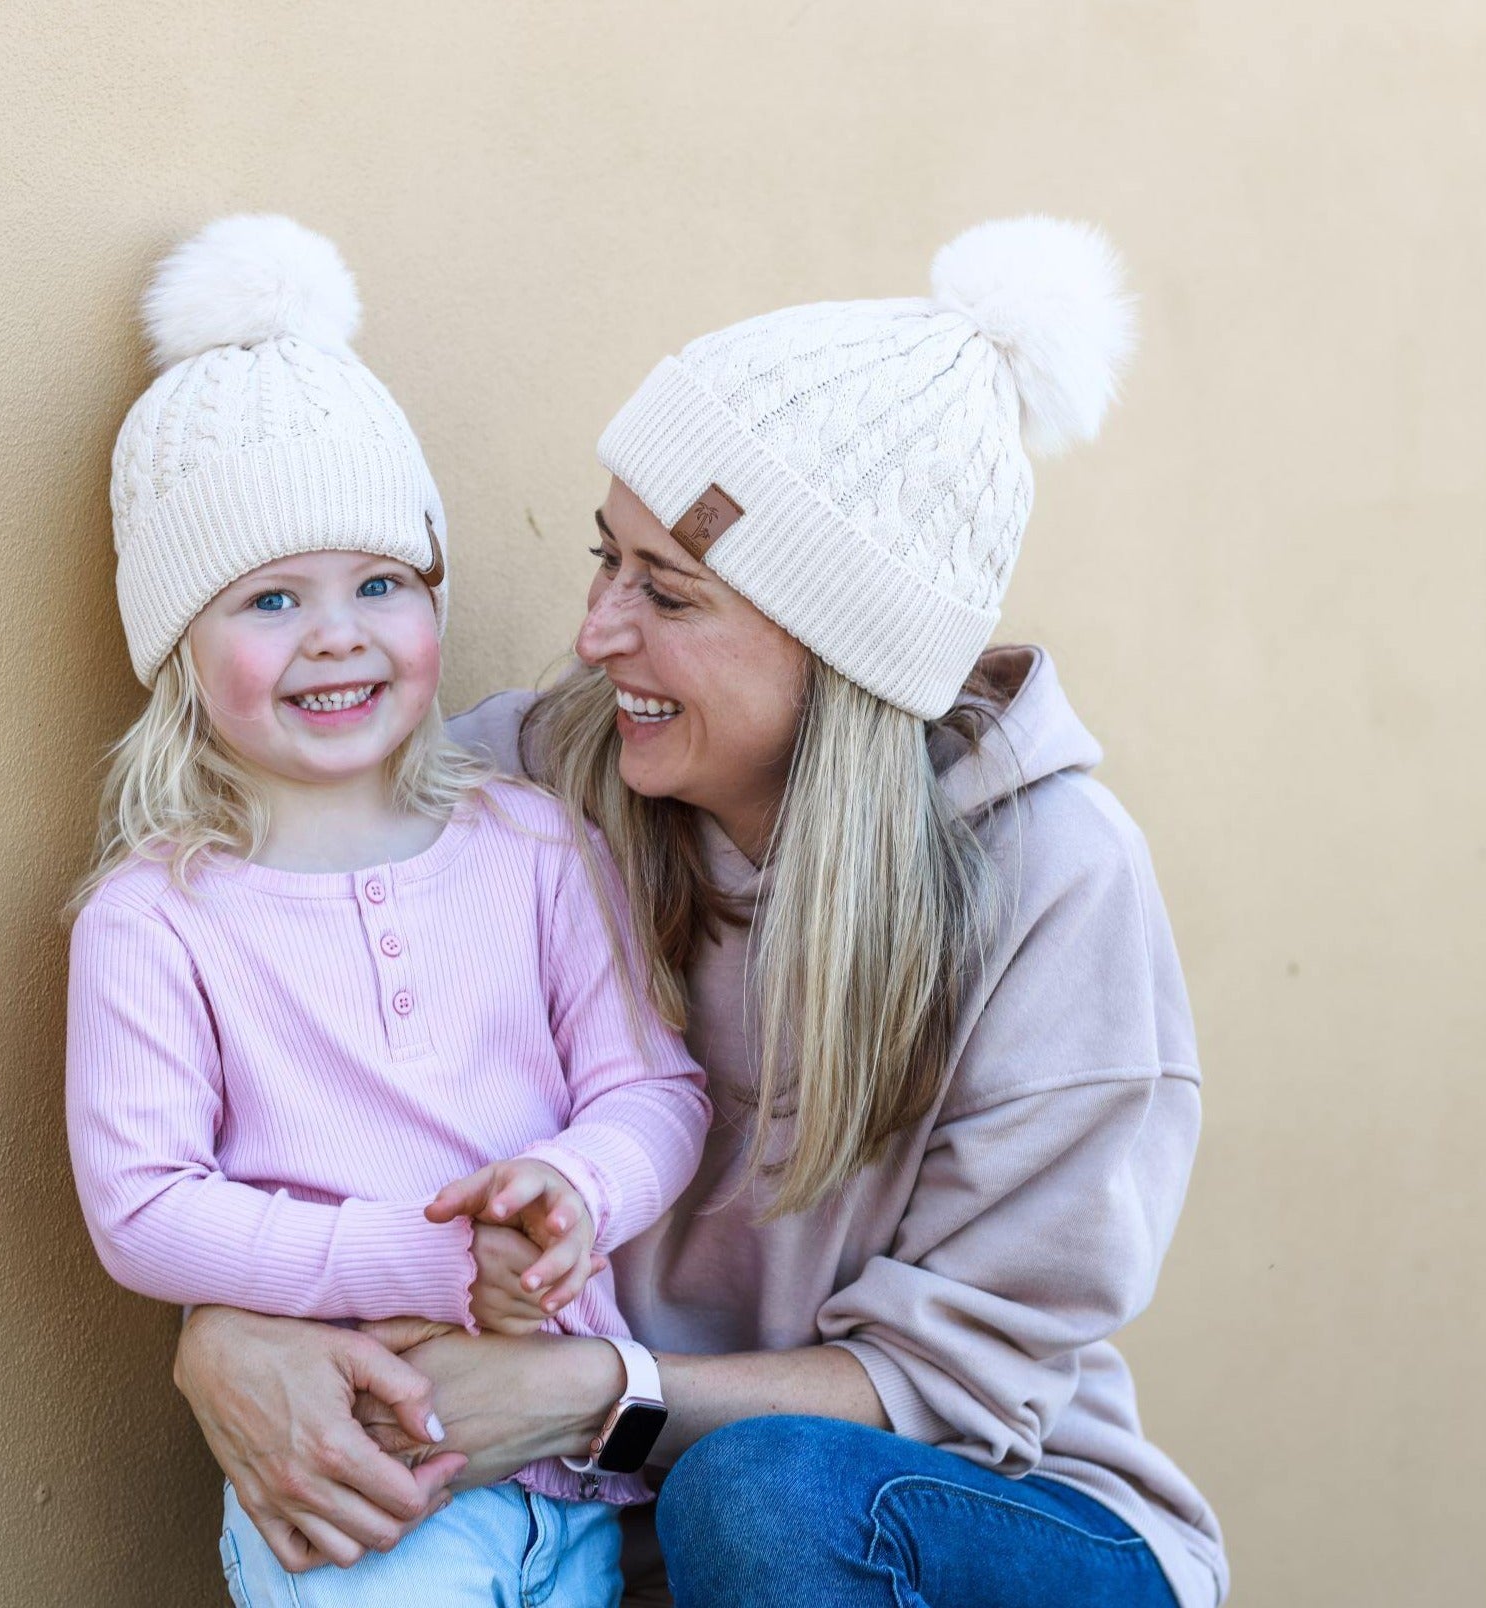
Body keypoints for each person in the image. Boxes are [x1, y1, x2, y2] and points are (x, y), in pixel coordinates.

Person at [172, 215, 1230, 1608]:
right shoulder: (523, 790)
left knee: (767, 1494)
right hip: (619, 1537)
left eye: (666, 591)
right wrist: (224, 1333)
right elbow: (302, 1062)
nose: (599, 631)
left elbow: (949, 1387)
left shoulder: (1054, 883)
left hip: (989, 1522)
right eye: (608, 560)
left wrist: (592, 1397)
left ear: (840, 656)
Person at [66, 214, 711, 1608]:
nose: (337, 631)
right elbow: (142, 1207)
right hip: (361, 1486)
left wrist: (574, 1193)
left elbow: (652, 1088)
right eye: (270, 599)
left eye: (378, 583)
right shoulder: (154, 919)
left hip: (566, 1479)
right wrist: (422, 1252)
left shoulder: (533, 845)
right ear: (177, 652)